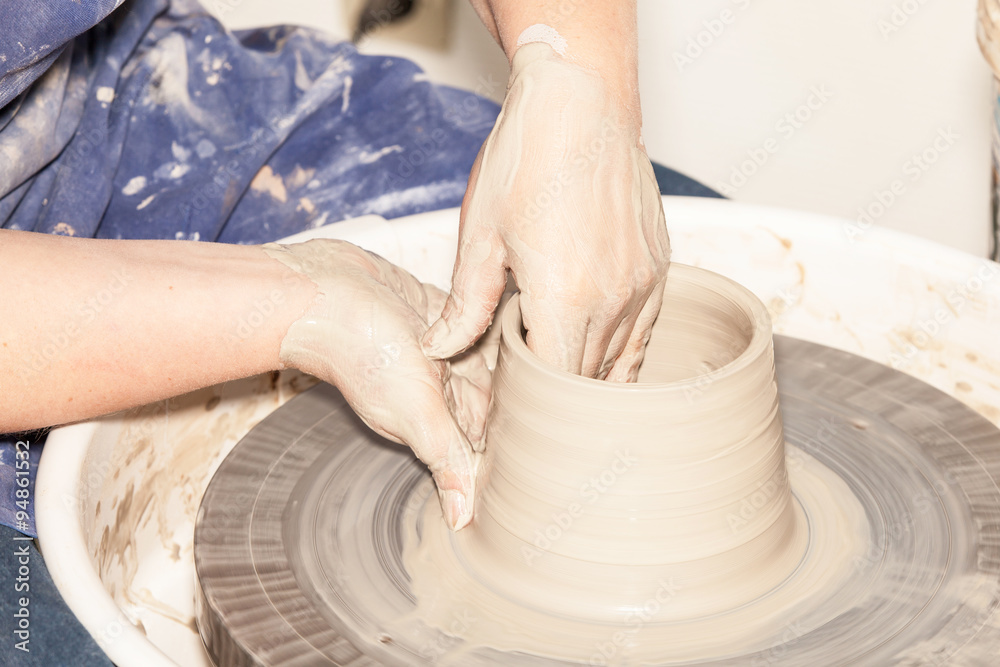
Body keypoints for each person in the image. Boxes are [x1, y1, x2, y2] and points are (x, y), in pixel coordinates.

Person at [0, 0, 716, 662]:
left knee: (664, 229)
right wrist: (307, 301)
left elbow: (577, 81)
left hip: (111, 86)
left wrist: (576, 78)